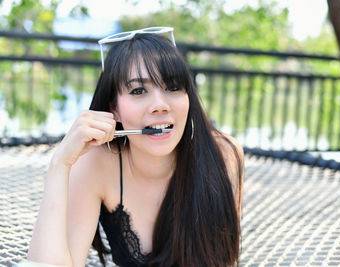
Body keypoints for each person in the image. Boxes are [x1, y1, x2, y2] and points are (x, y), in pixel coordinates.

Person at [26, 27, 244, 267]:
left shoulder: (224, 155)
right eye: (138, 90)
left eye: (173, 87)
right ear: (114, 109)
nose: (159, 105)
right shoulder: (96, 164)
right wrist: (60, 164)